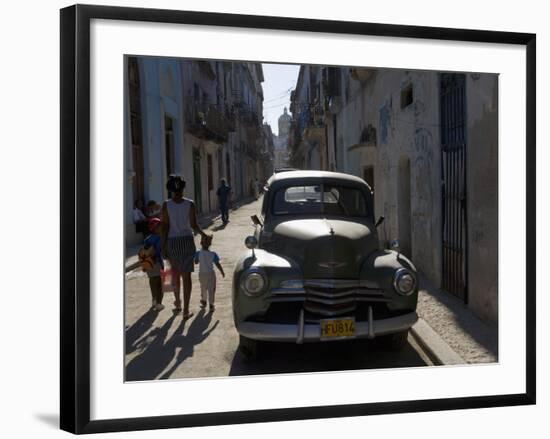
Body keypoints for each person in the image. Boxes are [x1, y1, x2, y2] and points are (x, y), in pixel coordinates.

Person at [161, 175, 206, 319]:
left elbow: (165, 227)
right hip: (187, 242)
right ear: (183, 188)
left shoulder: (166, 205)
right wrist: (203, 234)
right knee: (186, 277)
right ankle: (186, 310)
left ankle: (178, 303)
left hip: (172, 242)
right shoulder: (190, 204)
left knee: (175, 275)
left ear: (171, 190)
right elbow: (193, 225)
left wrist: (163, 246)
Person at [194, 234, 224, 313]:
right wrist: (222, 271)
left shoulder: (198, 253)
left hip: (202, 273)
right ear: (210, 244)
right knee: (211, 289)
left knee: (203, 288)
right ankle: (211, 305)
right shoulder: (213, 254)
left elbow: (196, 262)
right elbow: (217, 264)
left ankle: (204, 301)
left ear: (201, 242)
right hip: (211, 274)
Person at [141, 217, 165, 311]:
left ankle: (154, 299)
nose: (161, 228)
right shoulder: (159, 238)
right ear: (155, 228)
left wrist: (144, 265)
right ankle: (159, 303)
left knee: (152, 282)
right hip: (157, 262)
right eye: (159, 226)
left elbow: (143, 252)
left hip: (148, 264)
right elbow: (161, 251)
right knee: (160, 284)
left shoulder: (147, 239)